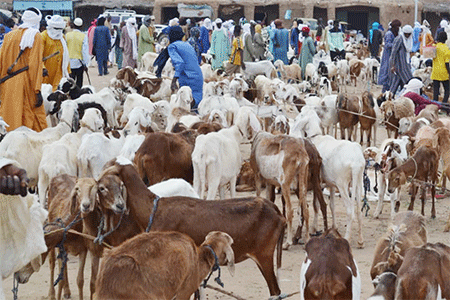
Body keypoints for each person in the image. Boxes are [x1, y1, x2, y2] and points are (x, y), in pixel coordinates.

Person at [0, 7, 47, 132]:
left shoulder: (9, 36)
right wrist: (37, 90)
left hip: (7, 84)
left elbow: (1, 61)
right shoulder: (35, 36)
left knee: (9, 120)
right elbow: (34, 65)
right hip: (25, 84)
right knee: (32, 121)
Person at [167, 26, 203, 109]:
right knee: (196, 103)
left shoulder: (172, 46)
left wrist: (174, 80)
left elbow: (179, 63)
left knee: (184, 104)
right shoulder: (187, 45)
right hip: (198, 76)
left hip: (187, 77)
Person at [41, 15, 70, 91]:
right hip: (46, 71)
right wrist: (42, 68)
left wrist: (68, 70)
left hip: (59, 71)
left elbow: (66, 55)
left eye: (60, 29)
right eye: (56, 29)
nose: (58, 31)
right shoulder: (43, 36)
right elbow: (37, 55)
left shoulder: (62, 37)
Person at [65, 17, 90, 88]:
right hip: (79, 63)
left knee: (69, 82)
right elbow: (84, 51)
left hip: (69, 63)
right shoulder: (83, 36)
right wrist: (86, 64)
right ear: (81, 26)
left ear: (73, 25)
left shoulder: (67, 35)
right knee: (79, 83)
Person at [389, 25, 414, 95]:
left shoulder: (409, 40)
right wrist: (392, 65)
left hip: (405, 65)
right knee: (409, 82)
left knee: (398, 84)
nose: (408, 35)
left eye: (409, 34)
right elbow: (393, 53)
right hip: (398, 66)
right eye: (406, 34)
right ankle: (388, 99)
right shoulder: (399, 39)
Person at [378, 19, 401, 92]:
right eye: (397, 26)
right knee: (387, 72)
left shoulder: (395, 34)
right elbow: (387, 44)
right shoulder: (389, 34)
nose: (398, 28)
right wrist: (396, 45)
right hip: (388, 55)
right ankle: (384, 92)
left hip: (393, 55)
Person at [431, 31, 450, 107]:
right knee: (447, 90)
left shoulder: (434, 47)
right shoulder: (446, 49)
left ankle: (435, 106)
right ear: (445, 39)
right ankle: (443, 105)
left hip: (435, 72)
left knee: (436, 91)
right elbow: (447, 63)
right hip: (444, 73)